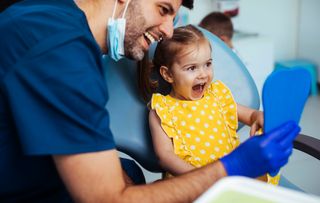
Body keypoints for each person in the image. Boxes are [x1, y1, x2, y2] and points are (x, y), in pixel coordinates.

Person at [0, 0, 300, 202]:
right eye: (163, 9)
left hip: (39, 169)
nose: (167, 31)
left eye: (174, 17)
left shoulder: (58, 22)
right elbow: (107, 198)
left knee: (129, 171)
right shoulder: (60, 50)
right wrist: (232, 167)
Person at [140, 24, 276, 184]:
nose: (203, 74)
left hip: (231, 177)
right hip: (192, 184)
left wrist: (259, 116)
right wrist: (203, 178)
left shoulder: (216, 96)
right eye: (192, 68)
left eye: (208, 64)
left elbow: (251, 115)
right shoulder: (162, 110)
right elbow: (165, 156)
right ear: (168, 74)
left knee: (263, 164)